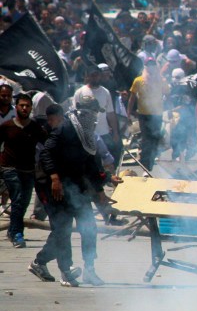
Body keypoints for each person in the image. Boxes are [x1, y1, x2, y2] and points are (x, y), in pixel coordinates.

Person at [30, 101, 108, 287]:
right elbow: (46, 153)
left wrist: (100, 191)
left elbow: (90, 165)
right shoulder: (64, 129)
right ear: (82, 114)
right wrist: (55, 178)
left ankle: (89, 269)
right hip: (56, 188)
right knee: (62, 230)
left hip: (77, 188)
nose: (95, 118)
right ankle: (64, 270)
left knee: (89, 227)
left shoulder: (87, 136)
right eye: (92, 114)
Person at [0, 93, 47, 248]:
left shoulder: (35, 128)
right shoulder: (7, 126)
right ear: (17, 106)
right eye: (22, 105)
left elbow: (47, 144)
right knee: (18, 200)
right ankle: (18, 234)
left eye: (27, 105)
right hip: (10, 169)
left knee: (24, 202)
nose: (25, 108)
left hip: (28, 170)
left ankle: (12, 230)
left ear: (31, 108)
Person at [73, 66, 122, 166]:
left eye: (97, 75)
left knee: (107, 161)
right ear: (88, 77)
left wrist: (116, 132)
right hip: (88, 135)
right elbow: (75, 114)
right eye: (92, 75)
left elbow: (110, 114)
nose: (95, 77)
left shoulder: (105, 92)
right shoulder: (80, 93)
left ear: (100, 76)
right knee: (92, 163)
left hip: (104, 133)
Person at [127, 58, 169, 173]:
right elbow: (132, 98)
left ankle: (151, 159)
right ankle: (145, 163)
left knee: (155, 138)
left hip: (157, 114)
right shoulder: (138, 80)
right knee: (146, 138)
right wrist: (128, 113)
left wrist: (168, 110)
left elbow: (167, 95)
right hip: (143, 114)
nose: (151, 67)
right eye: (148, 65)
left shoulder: (161, 80)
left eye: (152, 65)